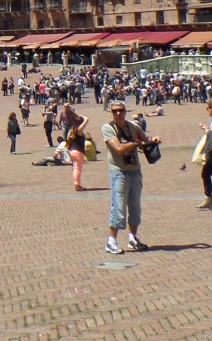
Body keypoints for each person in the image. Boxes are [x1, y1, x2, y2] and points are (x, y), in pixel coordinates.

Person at [101, 102, 161, 254]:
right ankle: (111, 241)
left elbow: (144, 139)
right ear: (111, 113)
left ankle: (133, 238)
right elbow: (119, 148)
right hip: (119, 172)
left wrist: (152, 140)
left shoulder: (132, 126)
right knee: (118, 207)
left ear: (125, 111)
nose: (118, 113)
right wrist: (137, 143)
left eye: (121, 110)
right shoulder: (108, 128)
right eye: (115, 111)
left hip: (135, 171)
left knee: (135, 207)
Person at [67, 114, 90, 191]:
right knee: (78, 169)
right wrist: (83, 116)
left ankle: (76, 183)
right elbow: (87, 119)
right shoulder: (79, 130)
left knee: (74, 168)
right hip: (78, 152)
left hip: (72, 151)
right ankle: (78, 185)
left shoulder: (72, 129)